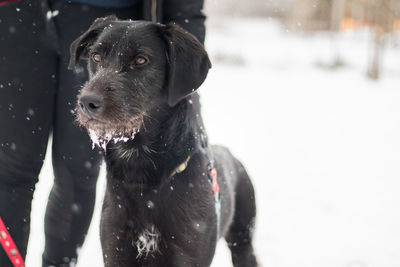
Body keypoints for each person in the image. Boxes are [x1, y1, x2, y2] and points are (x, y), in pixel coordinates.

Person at [0, 0, 206, 266]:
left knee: (76, 173)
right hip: (15, 12)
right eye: (95, 60)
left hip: (106, 10)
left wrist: (186, 81)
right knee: (10, 171)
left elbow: (187, 12)